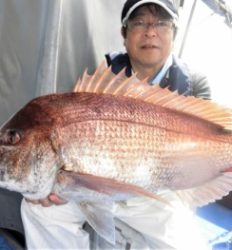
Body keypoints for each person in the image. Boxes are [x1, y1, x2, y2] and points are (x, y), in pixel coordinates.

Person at [20, 0, 212, 249]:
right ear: (124, 34)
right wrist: (43, 181)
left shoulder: (194, 84)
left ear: (174, 33)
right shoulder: (106, 74)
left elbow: (209, 147)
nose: (150, 31)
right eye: (139, 22)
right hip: (94, 185)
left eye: (162, 23)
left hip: (156, 192)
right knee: (38, 209)